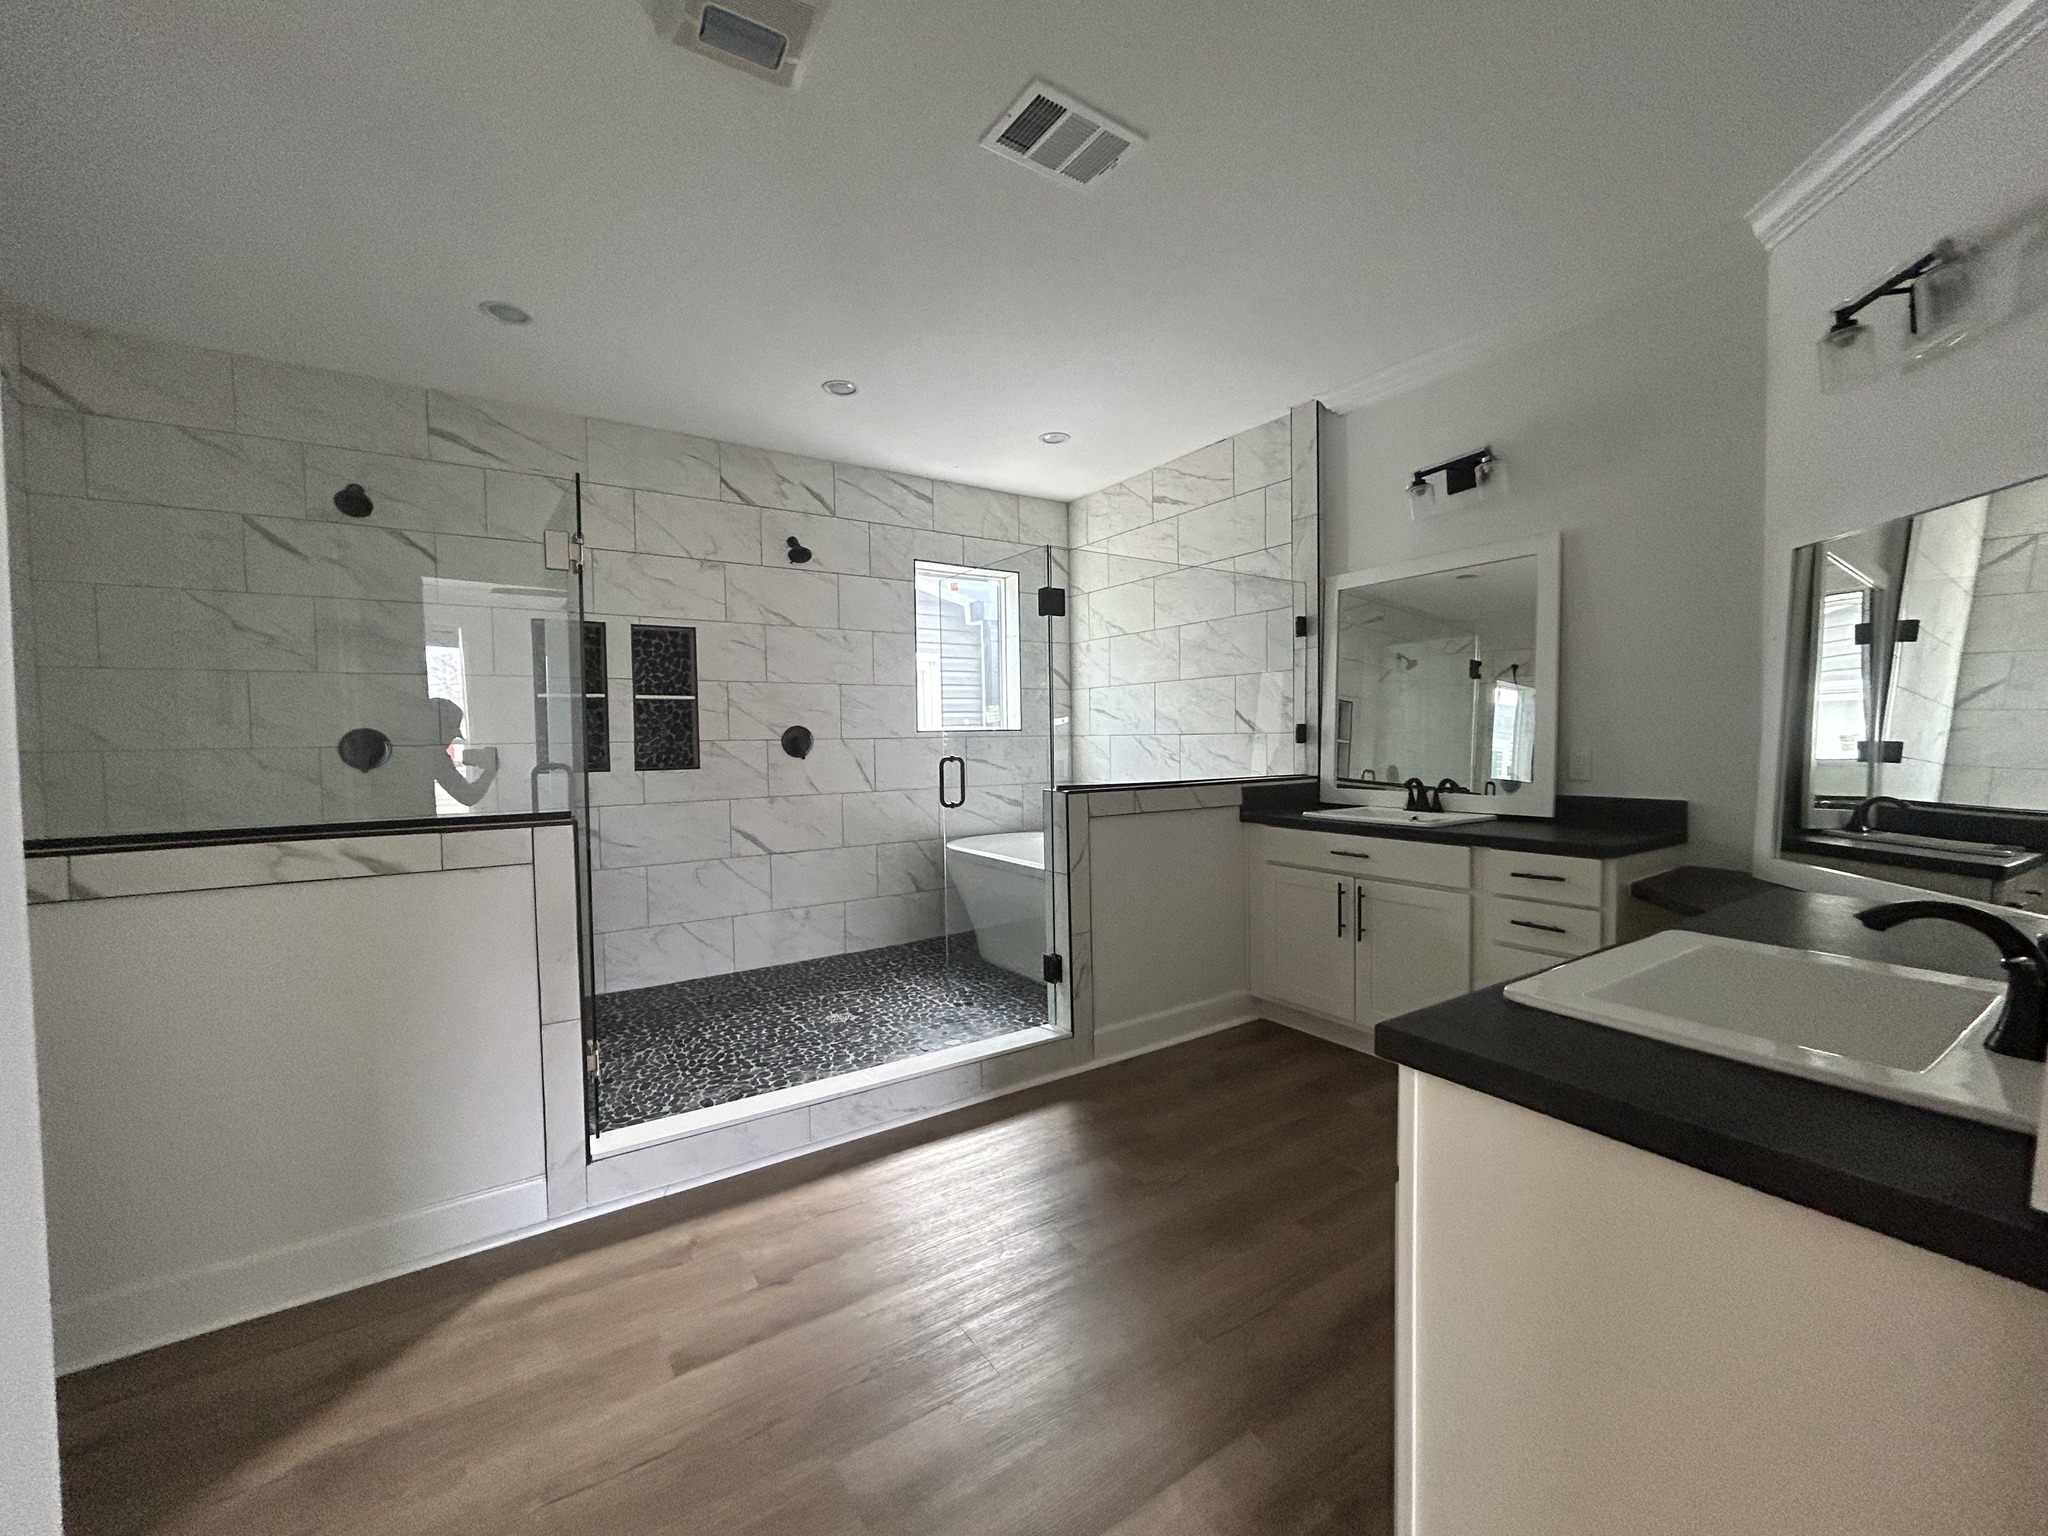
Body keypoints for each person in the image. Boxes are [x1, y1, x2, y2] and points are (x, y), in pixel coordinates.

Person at [431, 697, 499, 808]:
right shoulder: (434, 756)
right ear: (437, 729)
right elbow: (468, 796)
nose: (449, 741)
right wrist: (490, 771)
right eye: (449, 734)